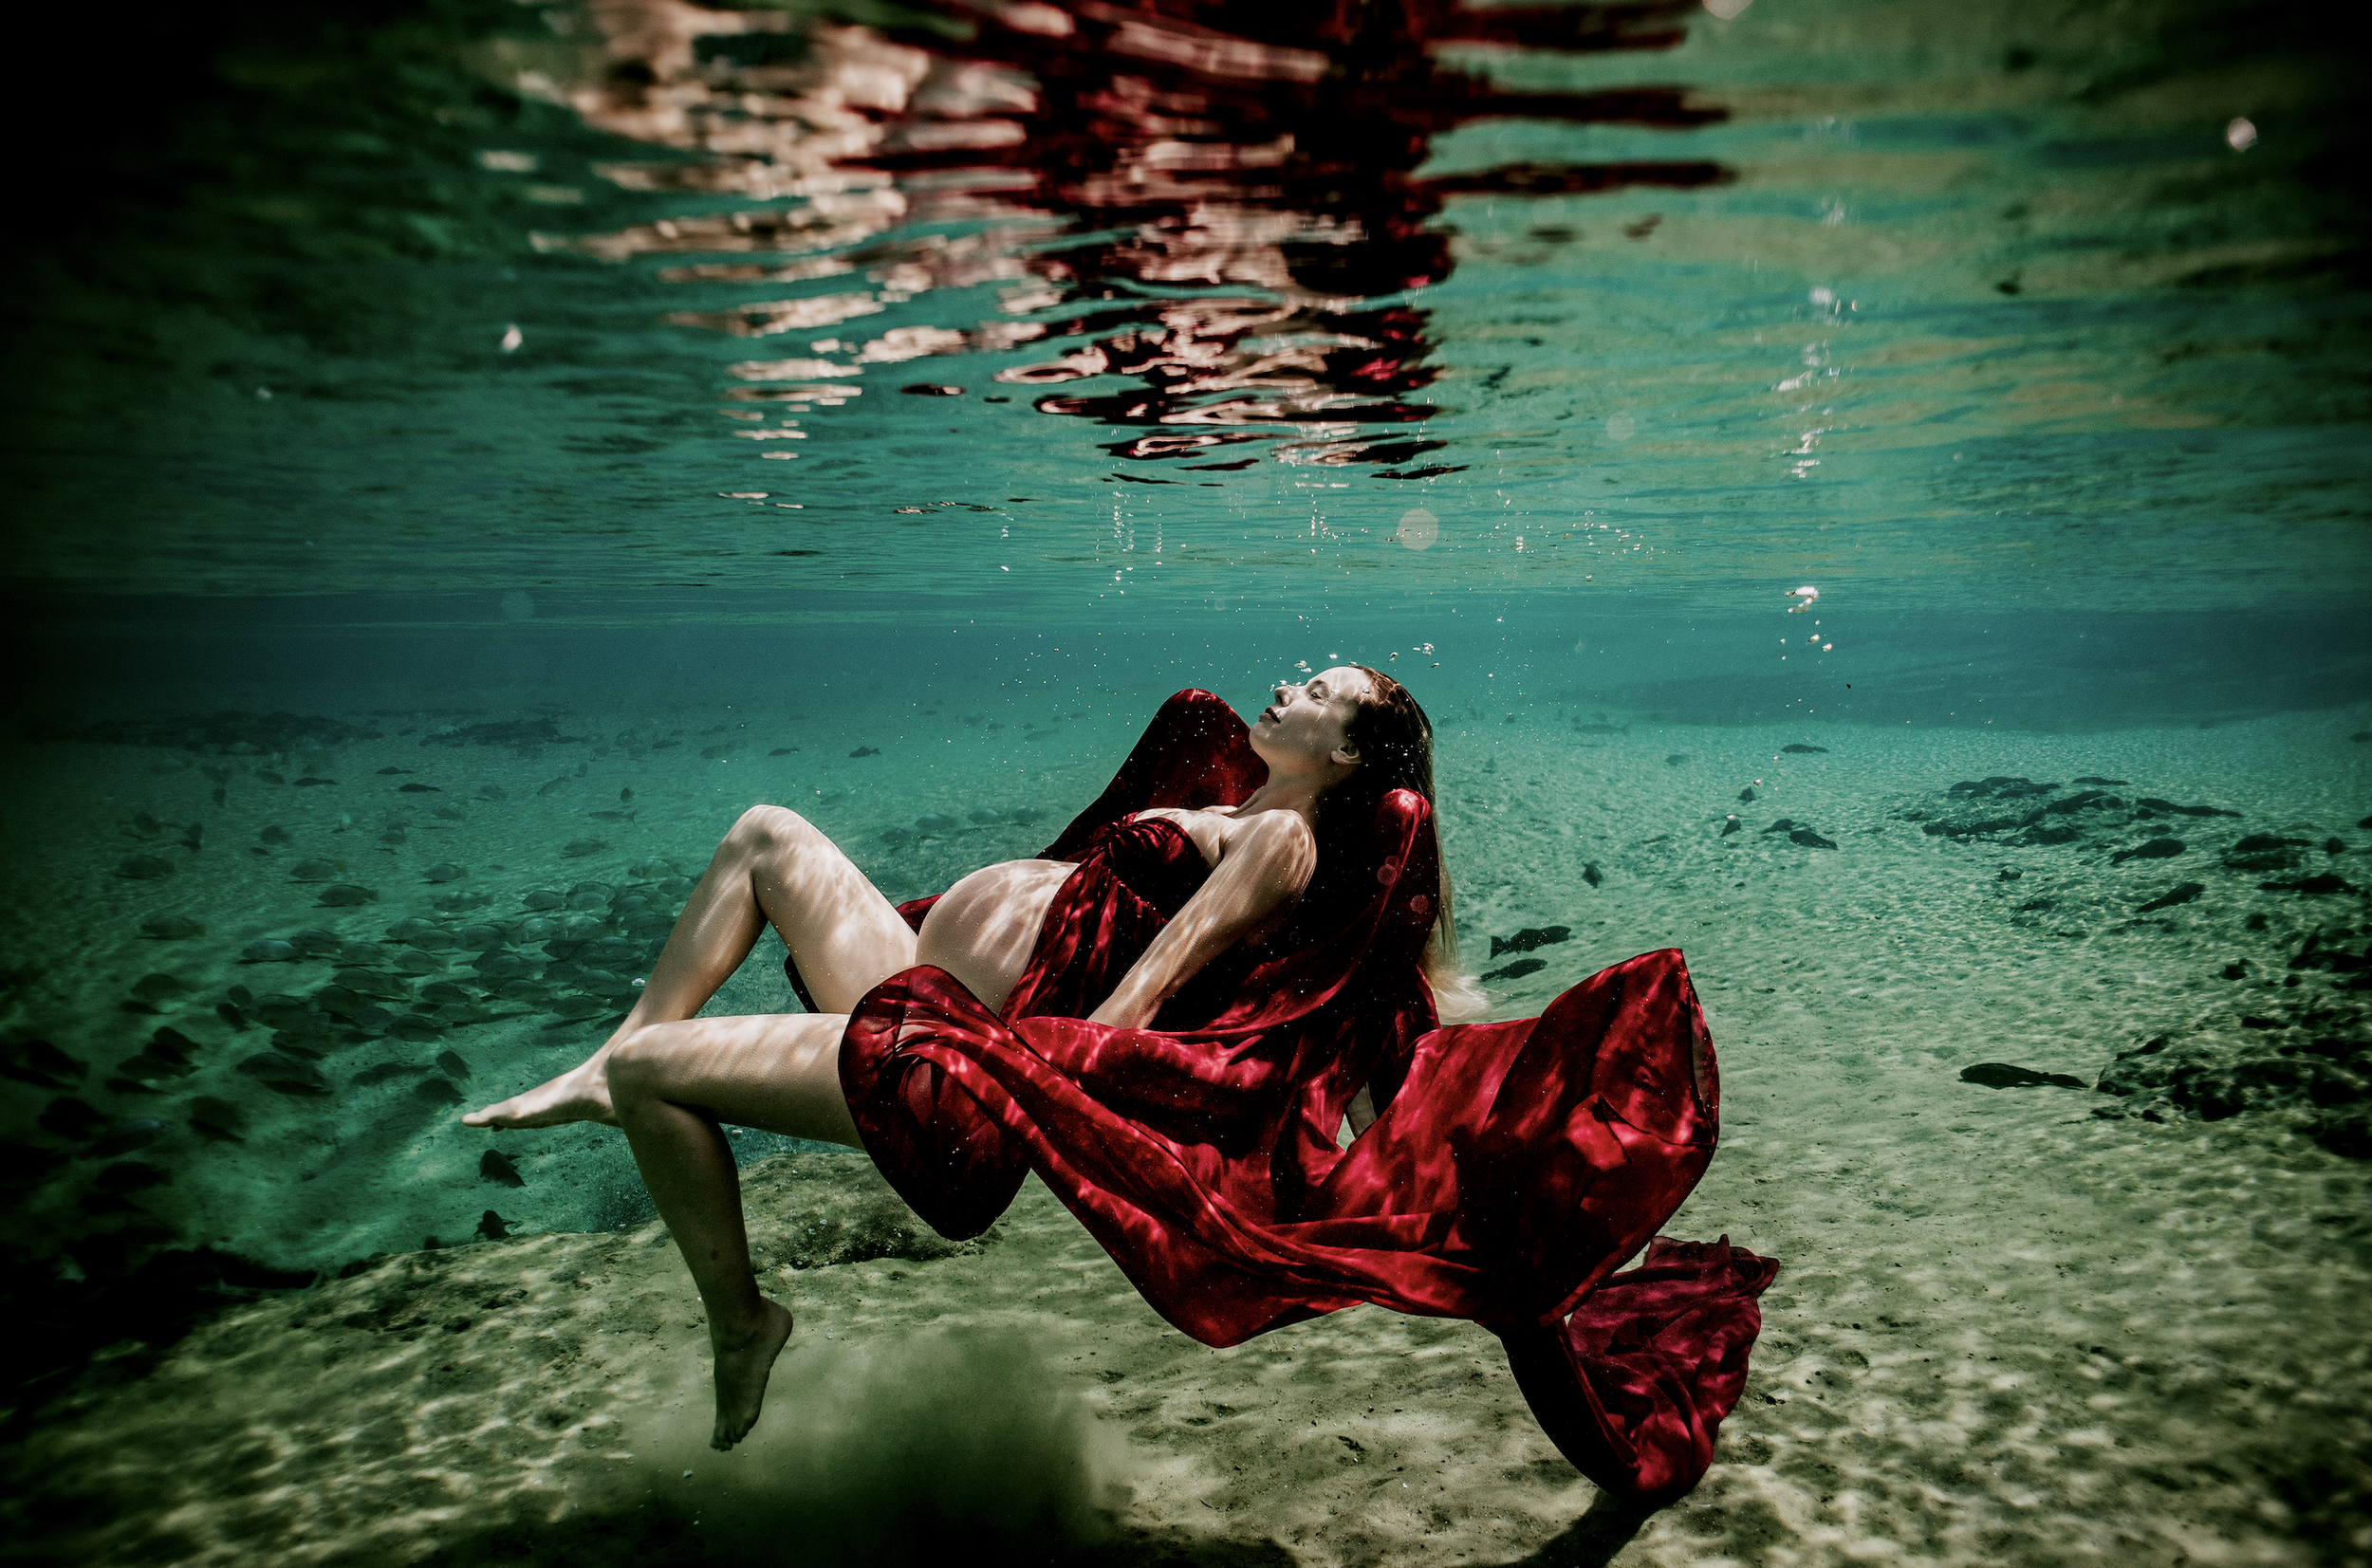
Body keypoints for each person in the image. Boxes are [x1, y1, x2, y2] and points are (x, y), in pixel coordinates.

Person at [468, 668, 1776, 1503]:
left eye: (1316, 690)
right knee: (764, 834)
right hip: (918, 983)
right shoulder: (1245, 802)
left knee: (657, 1073)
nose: (1286, 684)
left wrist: (1030, 1081)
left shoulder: (1279, 841)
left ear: (1349, 753)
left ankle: (742, 1320)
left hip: (957, 1057)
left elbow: (1150, 985)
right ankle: (603, 1070)